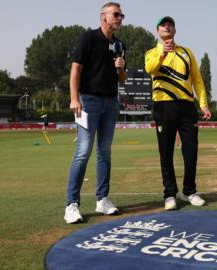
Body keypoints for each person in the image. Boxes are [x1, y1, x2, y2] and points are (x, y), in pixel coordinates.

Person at [64, 2, 127, 224]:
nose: (120, 18)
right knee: (83, 151)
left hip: (110, 103)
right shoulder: (88, 38)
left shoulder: (119, 45)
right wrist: (74, 98)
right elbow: (76, 70)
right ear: (103, 16)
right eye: (116, 14)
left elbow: (122, 79)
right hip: (88, 101)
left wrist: (121, 67)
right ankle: (72, 204)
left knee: (105, 152)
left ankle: (102, 199)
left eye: (121, 15)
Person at [145, 16, 211, 210]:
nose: (167, 27)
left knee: (191, 151)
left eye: (170, 24)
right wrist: (163, 55)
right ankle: (169, 194)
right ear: (157, 30)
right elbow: (151, 69)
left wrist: (203, 104)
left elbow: (197, 80)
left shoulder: (187, 52)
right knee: (165, 152)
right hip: (163, 107)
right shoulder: (151, 52)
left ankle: (190, 190)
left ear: (175, 30)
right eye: (163, 25)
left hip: (186, 107)